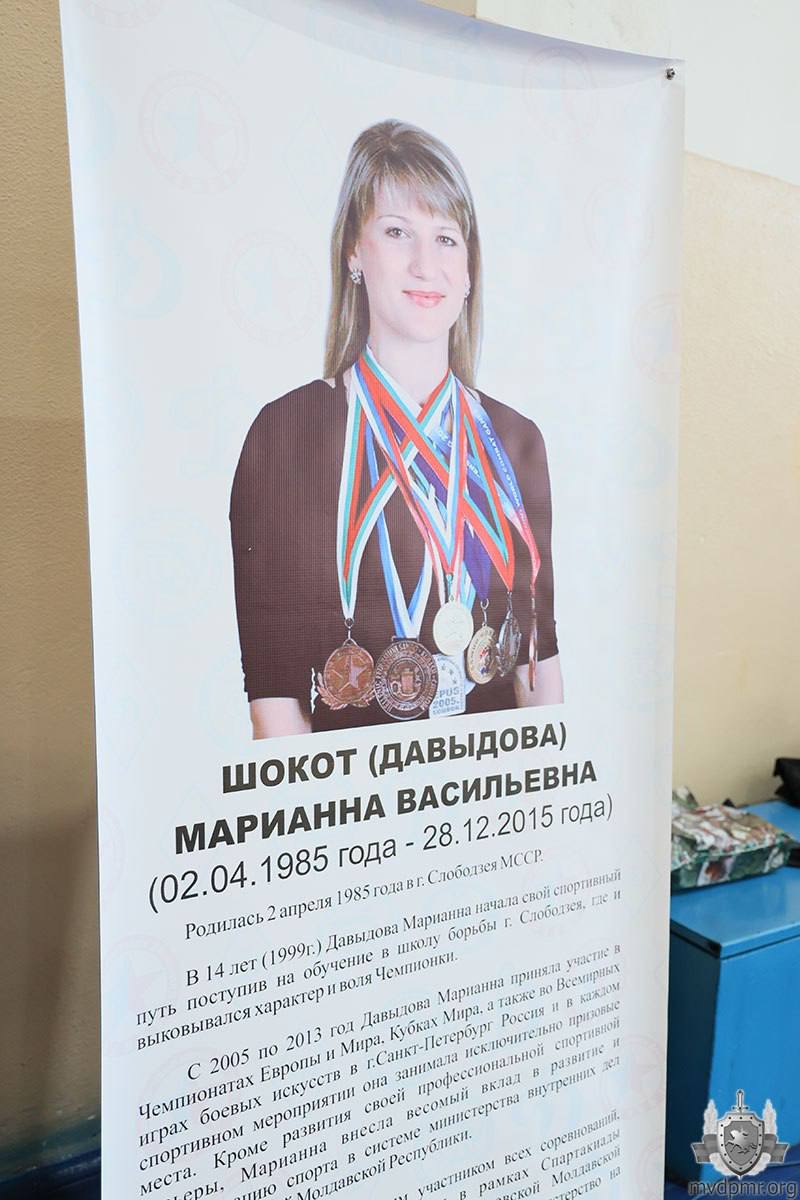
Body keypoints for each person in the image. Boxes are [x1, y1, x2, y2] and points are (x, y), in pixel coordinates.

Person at [230, 119, 563, 740]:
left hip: (494, 789)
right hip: (354, 793)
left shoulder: (516, 441)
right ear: (353, 252)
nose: (424, 264)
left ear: (470, 271)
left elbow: (536, 665)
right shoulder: (285, 435)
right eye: (396, 231)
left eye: (446, 238)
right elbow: (274, 700)